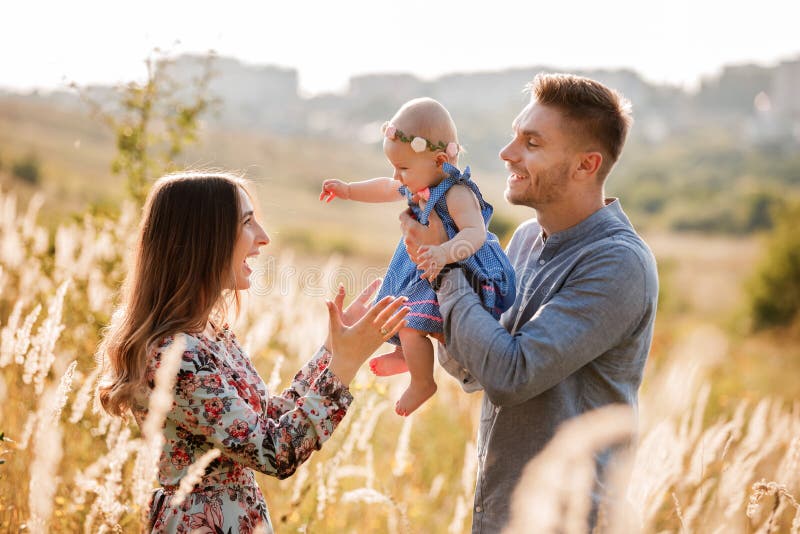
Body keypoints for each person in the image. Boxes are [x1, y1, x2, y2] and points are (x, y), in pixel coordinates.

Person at [397, 73, 659, 531]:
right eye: (515, 135)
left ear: (585, 165)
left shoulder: (619, 263)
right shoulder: (521, 241)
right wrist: (425, 319)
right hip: (501, 514)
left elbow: (510, 375)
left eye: (531, 142)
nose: (507, 153)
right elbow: (478, 371)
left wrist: (446, 266)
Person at [96, 172, 409, 533]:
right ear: (205, 238)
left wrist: (332, 351)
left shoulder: (209, 334)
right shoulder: (174, 356)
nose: (263, 237)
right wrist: (346, 364)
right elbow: (277, 451)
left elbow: (269, 417)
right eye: (246, 222)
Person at [319, 97, 515, 416]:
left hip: (460, 268)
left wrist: (443, 252)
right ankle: (407, 354)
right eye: (394, 167)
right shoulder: (416, 182)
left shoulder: (458, 193)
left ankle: (423, 381)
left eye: (403, 168)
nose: (397, 177)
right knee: (398, 314)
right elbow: (385, 187)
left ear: (439, 161)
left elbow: (475, 234)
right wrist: (349, 190)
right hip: (424, 263)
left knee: (411, 321)